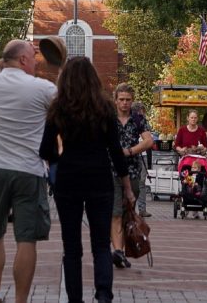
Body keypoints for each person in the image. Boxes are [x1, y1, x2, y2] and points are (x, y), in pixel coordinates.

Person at [39, 56, 133, 303]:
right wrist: (126, 185)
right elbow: (115, 149)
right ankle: (103, 295)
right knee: (101, 244)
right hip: (99, 179)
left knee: (71, 247)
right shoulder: (104, 108)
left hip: (68, 180)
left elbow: (45, 150)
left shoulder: (58, 108)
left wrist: (62, 156)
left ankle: (75, 299)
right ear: (93, 79)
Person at [0, 39, 58, 303]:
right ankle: (20, 299)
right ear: (23, 60)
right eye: (33, 58)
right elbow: (64, 109)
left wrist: (13, 52)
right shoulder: (42, 88)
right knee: (26, 238)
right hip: (28, 170)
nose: (35, 62)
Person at [109, 83, 153, 268]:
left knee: (128, 211)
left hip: (133, 170)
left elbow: (149, 140)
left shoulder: (138, 120)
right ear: (115, 100)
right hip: (110, 171)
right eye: (121, 100)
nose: (125, 103)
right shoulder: (108, 119)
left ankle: (125, 250)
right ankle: (118, 251)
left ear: (132, 100)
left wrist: (129, 151)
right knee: (115, 213)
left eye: (128, 100)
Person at [131, 101, 152, 217]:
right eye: (142, 112)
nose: (143, 115)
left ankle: (142, 209)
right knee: (133, 183)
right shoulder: (131, 122)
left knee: (141, 182)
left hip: (142, 155)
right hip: (133, 155)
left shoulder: (144, 123)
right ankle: (131, 209)